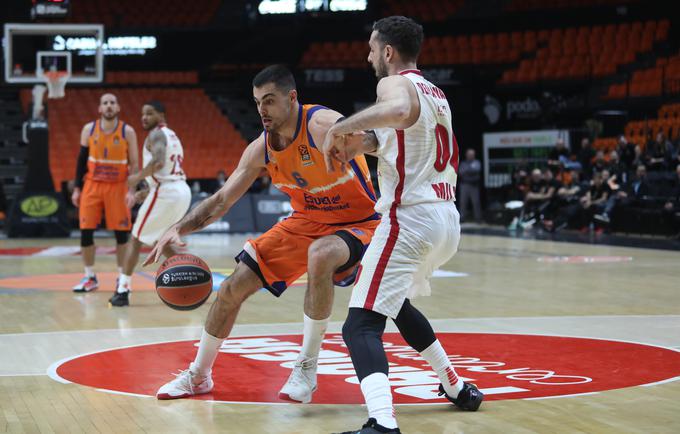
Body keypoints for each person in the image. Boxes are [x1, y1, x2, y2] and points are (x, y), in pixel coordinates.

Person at [146, 65, 379, 403]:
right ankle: (199, 375)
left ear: (292, 97)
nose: (262, 111)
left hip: (362, 221)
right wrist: (178, 227)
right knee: (230, 288)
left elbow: (381, 140)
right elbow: (221, 201)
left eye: (269, 101)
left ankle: (306, 367)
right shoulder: (262, 148)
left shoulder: (321, 125)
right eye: (257, 102)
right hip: (307, 221)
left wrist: (367, 142)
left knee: (321, 255)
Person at [321, 16, 483, 434]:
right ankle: (456, 385)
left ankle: (382, 421)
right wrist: (364, 144)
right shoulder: (437, 93)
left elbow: (396, 110)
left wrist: (342, 126)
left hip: (409, 219)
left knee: (359, 325)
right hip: (445, 221)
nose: (369, 55)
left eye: (373, 48)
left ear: (389, 52)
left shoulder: (394, 85)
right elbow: (401, 136)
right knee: (397, 306)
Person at [109, 101, 192, 307]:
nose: (144, 117)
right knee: (160, 242)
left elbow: (158, 162)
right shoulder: (172, 135)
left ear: (161, 115)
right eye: (142, 114)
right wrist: (146, 192)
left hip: (167, 193)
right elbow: (168, 173)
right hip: (181, 190)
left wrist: (137, 178)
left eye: (150, 113)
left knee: (135, 240)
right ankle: (191, 279)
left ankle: (122, 290)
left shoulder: (156, 134)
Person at [71, 93, 139, 292]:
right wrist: (77, 188)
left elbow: (134, 165)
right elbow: (81, 161)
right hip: (92, 185)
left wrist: (132, 190)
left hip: (118, 187)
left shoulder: (128, 131)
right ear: (100, 109)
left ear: (118, 108)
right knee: (85, 232)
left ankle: (122, 278)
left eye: (112, 102)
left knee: (121, 235)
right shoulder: (88, 129)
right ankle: (90, 277)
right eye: (105, 103)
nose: (109, 106)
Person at [457, 148, 482, 222]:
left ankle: (478, 218)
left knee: (476, 202)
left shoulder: (477, 162)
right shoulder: (463, 163)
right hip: (464, 185)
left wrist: (467, 171)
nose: (470, 156)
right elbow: (460, 172)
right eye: (469, 154)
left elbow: (477, 170)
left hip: (474, 185)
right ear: (466, 155)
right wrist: (470, 170)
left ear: (474, 155)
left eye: (472, 154)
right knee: (463, 202)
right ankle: (462, 218)